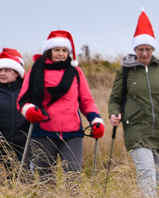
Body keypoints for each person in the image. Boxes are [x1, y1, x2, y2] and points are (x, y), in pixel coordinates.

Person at [108, 11, 159, 198]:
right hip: (136, 129)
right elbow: (114, 99)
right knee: (147, 173)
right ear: (135, 50)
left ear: (153, 49)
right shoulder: (125, 71)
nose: (144, 53)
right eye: (141, 49)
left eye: (148, 49)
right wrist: (114, 113)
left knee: (155, 177)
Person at [18, 31, 104, 181]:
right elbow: (22, 100)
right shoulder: (35, 71)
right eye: (57, 50)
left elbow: (86, 101)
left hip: (72, 132)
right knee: (46, 178)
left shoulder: (76, 72)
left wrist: (95, 119)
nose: (60, 53)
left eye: (64, 50)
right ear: (48, 51)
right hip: (43, 130)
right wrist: (29, 110)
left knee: (73, 175)